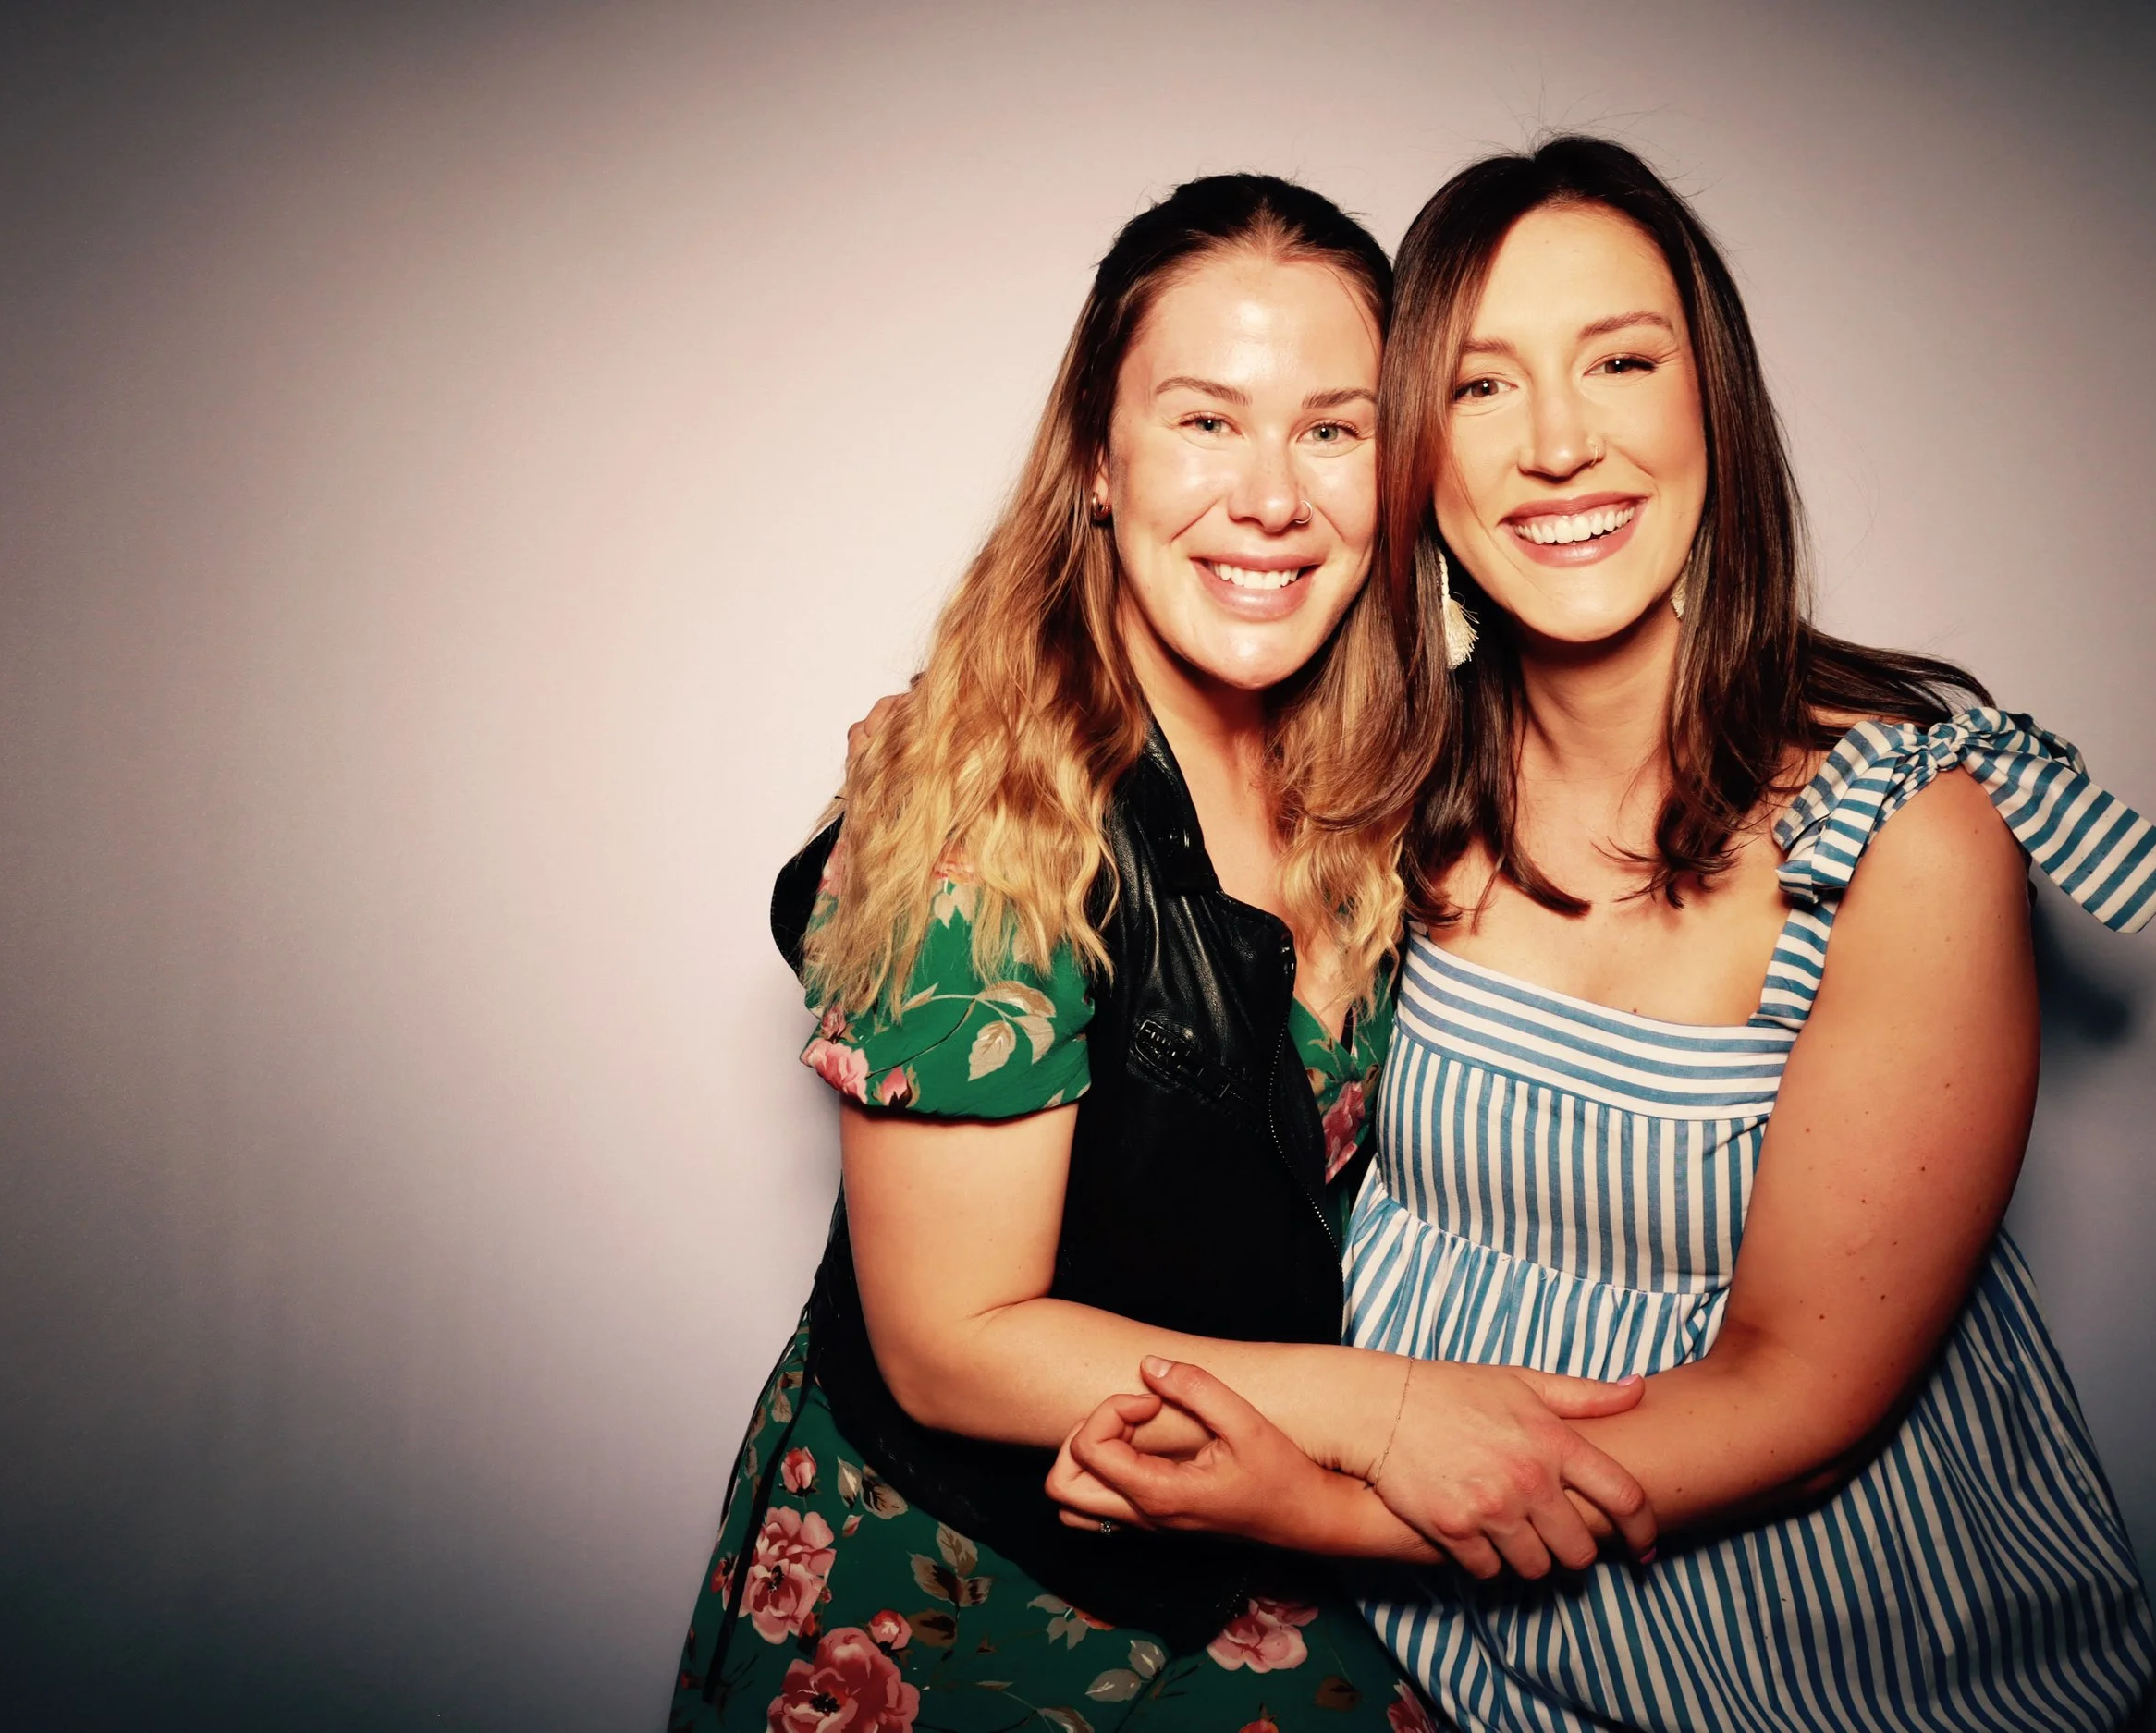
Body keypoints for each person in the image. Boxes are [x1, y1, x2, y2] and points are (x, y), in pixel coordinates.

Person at [1047, 138, 2156, 1733]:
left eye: (1622, 362)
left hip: (1828, 1665)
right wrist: (952, 756)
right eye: (1485, 387)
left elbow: (1800, 1392)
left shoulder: (1908, 838)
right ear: (1410, 461)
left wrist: (1309, 1508)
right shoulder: (1383, 777)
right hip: (1440, 1656)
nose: (1560, 446)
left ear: (1711, 403)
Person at [668, 173, 1660, 1733]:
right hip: (976, 1603)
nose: (1273, 497)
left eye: (1332, 430)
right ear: (1097, 464)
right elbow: (950, 1347)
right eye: (1206, 420)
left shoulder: (1388, 772)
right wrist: (1401, 1412)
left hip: (1262, 1519)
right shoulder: (986, 808)